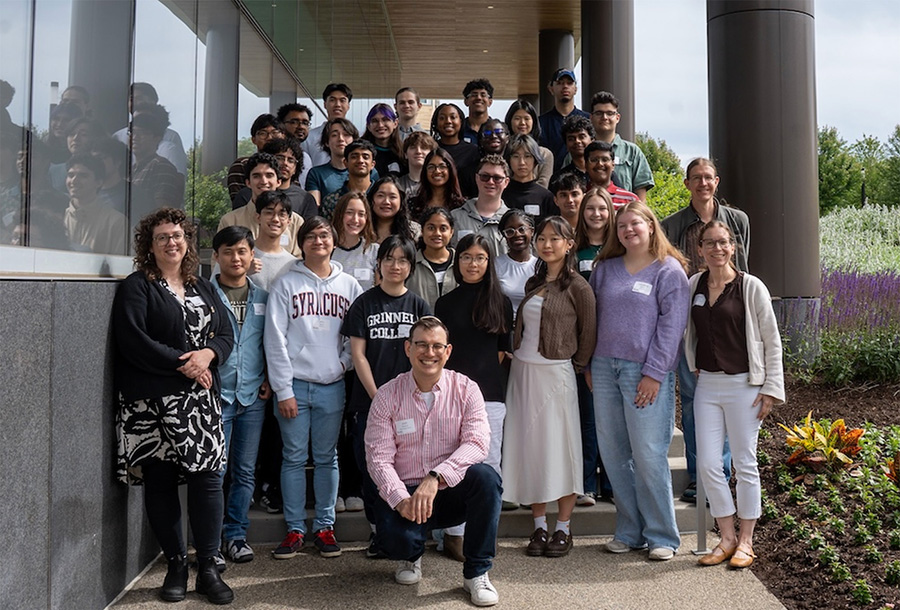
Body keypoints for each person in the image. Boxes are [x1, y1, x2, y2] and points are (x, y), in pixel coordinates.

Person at [112, 207, 235, 604]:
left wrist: (209, 356)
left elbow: (226, 333)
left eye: (178, 235)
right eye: (162, 236)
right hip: (152, 402)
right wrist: (187, 363)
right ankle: (177, 565)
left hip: (200, 401)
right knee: (161, 481)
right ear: (149, 245)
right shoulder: (137, 286)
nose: (172, 242)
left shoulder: (202, 286)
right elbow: (134, 340)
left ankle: (210, 568)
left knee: (208, 480)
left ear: (187, 242)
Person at [364, 316, 502, 607]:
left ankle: (477, 573)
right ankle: (410, 556)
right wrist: (402, 499)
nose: (429, 353)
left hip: (449, 490)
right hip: (407, 494)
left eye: (437, 346)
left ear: (448, 351)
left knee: (487, 479)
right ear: (408, 348)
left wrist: (436, 477)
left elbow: (477, 443)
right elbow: (378, 459)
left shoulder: (466, 389)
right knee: (397, 541)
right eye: (422, 345)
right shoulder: (387, 395)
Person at [590, 201, 689, 562]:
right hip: (603, 370)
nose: (628, 230)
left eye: (636, 223)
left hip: (644, 373)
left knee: (648, 455)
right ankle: (629, 531)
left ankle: (662, 534)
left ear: (651, 226)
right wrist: (588, 365)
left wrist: (654, 373)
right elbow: (592, 318)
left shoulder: (668, 270)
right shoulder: (605, 269)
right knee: (615, 455)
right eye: (622, 226)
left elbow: (672, 327)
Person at [686, 221, 784, 569]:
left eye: (723, 242)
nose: (717, 249)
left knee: (744, 463)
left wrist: (771, 389)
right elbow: (688, 331)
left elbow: (772, 341)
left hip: (745, 385)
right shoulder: (693, 284)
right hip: (708, 385)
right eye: (709, 243)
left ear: (733, 246)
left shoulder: (751, 287)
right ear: (700, 249)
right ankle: (726, 538)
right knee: (709, 463)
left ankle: (746, 541)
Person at [264, 216, 363, 560]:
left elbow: (356, 336)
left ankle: (324, 526)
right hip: (294, 385)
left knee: (326, 457)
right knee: (292, 458)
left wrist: (342, 364)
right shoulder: (286, 283)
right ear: (301, 242)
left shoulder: (349, 285)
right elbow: (274, 339)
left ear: (333, 241)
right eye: (311, 236)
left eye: (324, 235)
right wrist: (283, 389)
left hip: (331, 385)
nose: (318, 241)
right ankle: (294, 529)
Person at [502, 216, 597, 558]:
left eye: (555, 239)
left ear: (570, 244)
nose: (546, 244)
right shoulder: (533, 282)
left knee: (560, 448)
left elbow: (588, 333)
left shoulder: (578, 287)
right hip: (523, 372)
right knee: (532, 448)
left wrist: (576, 365)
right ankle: (539, 525)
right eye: (541, 238)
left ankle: (563, 528)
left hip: (556, 375)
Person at [662, 157, 749, 504]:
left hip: (729, 329)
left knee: (729, 407)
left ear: (717, 181)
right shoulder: (671, 226)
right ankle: (700, 477)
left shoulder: (738, 221)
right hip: (692, 327)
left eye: (708, 177)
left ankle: (721, 478)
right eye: (695, 178)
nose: (702, 183)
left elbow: (743, 271)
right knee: (696, 406)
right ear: (687, 184)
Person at [341, 236, 431, 558]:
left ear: (411, 266)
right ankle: (379, 532)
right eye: (389, 259)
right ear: (378, 264)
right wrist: (379, 397)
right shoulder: (364, 304)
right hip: (369, 403)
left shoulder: (419, 306)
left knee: (406, 469)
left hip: (410, 406)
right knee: (372, 471)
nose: (396, 266)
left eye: (403, 260)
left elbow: (427, 356)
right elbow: (358, 355)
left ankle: (408, 532)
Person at [434, 234, 513, 562]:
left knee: (489, 466)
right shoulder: (445, 304)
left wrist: (477, 388)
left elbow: (501, 352)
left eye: (480, 257)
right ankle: (455, 536)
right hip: (451, 395)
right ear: (458, 260)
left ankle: (482, 536)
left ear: (489, 262)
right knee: (455, 462)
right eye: (466, 257)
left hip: (490, 395)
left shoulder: (501, 302)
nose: (473, 264)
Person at [209, 226, 269, 566]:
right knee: (215, 472)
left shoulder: (263, 298)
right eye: (229, 251)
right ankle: (211, 541)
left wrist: (271, 380)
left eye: (243, 251)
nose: (236, 258)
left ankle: (236, 535)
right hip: (216, 396)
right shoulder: (205, 296)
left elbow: (271, 346)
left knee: (245, 471)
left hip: (252, 397)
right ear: (216, 256)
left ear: (251, 256)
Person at [573, 187, 616, 506]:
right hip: (583, 343)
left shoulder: (619, 251)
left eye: (603, 208)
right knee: (587, 417)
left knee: (612, 418)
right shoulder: (574, 251)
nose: (597, 213)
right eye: (591, 208)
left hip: (614, 341)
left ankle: (613, 484)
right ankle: (587, 482)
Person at [218, 152, 305, 257]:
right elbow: (220, 265)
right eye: (257, 176)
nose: (264, 181)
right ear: (248, 183)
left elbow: (300, 263)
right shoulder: (230, 221)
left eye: (269, 175)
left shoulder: (295, 222)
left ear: (278, 182)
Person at [112, 83, 189, 177]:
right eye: (131, 99)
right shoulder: (118, 136)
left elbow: (176, 174)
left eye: (139, 98)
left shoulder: (170, 138)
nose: (134, 102)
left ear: (153, 102)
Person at [232, 137, 318, 221]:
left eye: (291, 160)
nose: (285, 163)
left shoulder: (305, 199)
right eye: (280, 158)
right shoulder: (247, 194)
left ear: (296, 168)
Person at [589, 91, 654, 200]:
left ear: (617, 118)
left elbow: (640, 195)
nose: (604, 117)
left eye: (610, 113)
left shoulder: (632, 152)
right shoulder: (581, 151)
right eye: (599, 113)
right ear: (591, 117)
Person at [63, 153, 128, 254]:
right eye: (71, 175)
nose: (74, 181)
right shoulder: (57, 216)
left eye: (83, 176)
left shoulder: (116, 223)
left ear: (99, 182)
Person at [129, 105, 186, 221]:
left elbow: (163, 212)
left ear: (157, 138)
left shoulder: (161, 166)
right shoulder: (132, 169)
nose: (135, 137)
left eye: (143, 133)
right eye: (132, 133)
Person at [450, 154, 510, 259]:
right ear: (477, 178)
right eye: (485, 176)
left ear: (506, 182)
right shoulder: (455, 217)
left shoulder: (512, 221)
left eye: (497, 178)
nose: (490, 182)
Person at [538, 69, 590, 172]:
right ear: (551, 88)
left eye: (569, 83)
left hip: (584, 179)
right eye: (560, 83)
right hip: (551, 182)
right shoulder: (541, 123)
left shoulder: (588, 119)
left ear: (575, 89)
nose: (565, 86)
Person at [226, 114, 285, 202]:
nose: (269, 138)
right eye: (263, 133)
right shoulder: (242, 165)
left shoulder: (287, 165)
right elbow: (239, 201)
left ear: (283, 136)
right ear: (253, 139)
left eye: (275, 133)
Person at [406, 207, 457, 310]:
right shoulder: (409, 264)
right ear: (422, 231)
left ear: (451, 232)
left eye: (443, 229)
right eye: (431, 228)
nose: (437, 233)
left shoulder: (461, 263)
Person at [304, 118, 364, 206]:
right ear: (326, 142)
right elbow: (314, 207)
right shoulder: (316, 173)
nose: (341, 139)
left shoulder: (366, 170)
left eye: (346, 134)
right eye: (334, 135)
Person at [245, 189, 296, 290]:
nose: (275, 219)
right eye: (269, 213)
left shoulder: (293, 264)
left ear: (289, 221)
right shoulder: (239, 255)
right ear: (258, 217)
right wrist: (242, 272)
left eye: (282, 214)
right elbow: (216, 290)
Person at [502, 134, 557, 222]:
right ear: (509, 160)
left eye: (527, 156)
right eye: (516, 157)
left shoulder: (546, 197)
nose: (522, 162)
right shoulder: (501, 194)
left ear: (535, 160)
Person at [320, 139, 379, 221]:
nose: (360, 161)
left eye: (365, 157)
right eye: (354, 157)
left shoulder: (380, 197)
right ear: (345, 162)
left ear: (373, 164)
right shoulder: (331, 200)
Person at [331, 191, 379, 291]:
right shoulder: (328, 249)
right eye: (349, 213)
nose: (355, 219)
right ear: (340, 215)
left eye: (361, 214)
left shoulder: (374, 251)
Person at [494, 209, 537, 316]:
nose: (517, 234)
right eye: (510, 231)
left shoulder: (541, 266)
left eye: (522, 229)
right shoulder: (495, 265)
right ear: (504, 235)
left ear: (531, 231)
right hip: (505, 328)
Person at [430, 103, 479, 198]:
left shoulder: (473, 151)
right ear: (436, 123)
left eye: (453, 117)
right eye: (442, 118)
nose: (448, 121)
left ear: (460, 121)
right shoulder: (431, 149)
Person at [504, 98, 554, 187]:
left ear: (533, 122)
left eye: (527, 118)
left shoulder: (545, 154)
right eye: (517, 118)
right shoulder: (504, 151)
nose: (522, 123)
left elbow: (543, 183)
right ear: (510, 121)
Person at [302, 83, 353, 168]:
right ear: (325, 104)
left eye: (342, 100)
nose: (337, 104)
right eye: (332, 100)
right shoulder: (310, 137)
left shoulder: (356, 136)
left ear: (348, 106)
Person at [407, 148, 466, 219]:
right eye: (431, 167)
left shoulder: (463, 206)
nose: (437, 171)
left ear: (450, 170)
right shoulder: (413, 204)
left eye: (442, 166)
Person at [584, 140, 640, 209]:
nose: (600, 164)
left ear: (613, 165)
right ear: (586, 165)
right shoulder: (579, 198)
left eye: (605, 159)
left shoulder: (630, 200)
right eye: (594, 160)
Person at [369, 174, 420, 243]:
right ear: (372, 199)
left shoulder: (414, 231)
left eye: (392, 197)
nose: (386, 202)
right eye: (380, 196)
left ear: (401, 201)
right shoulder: (361, 228)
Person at [275, 102, 314, 188]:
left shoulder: (306, 158)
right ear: (281, 125)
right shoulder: (272, 153)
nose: (301, 127)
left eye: (305, 123)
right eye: (294, 122)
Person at [363, 103, 404, 177]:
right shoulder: (361, 152)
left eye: (385, 120)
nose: (380, 125)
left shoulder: (403, 153)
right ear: (368, 126)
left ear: (395, 123)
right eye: (375, 121)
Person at [396, 131, 438, 199]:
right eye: (413, 147)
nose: (418, 151)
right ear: (405, 154)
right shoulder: (397, 185)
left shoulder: (437, 183)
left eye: (424, 147)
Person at [554, 114, 594, 185]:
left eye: (582, 137)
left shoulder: (603, 172)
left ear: (592, 140)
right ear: (566, 145)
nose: (577, 141)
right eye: (571, 139)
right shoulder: (559, 177)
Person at [461, 79, 494, 145]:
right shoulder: (459, 129)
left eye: (483, 95)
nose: (479, 98)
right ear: (466, 101)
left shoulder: (496, 129)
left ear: (490, 102)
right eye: (474, 95)